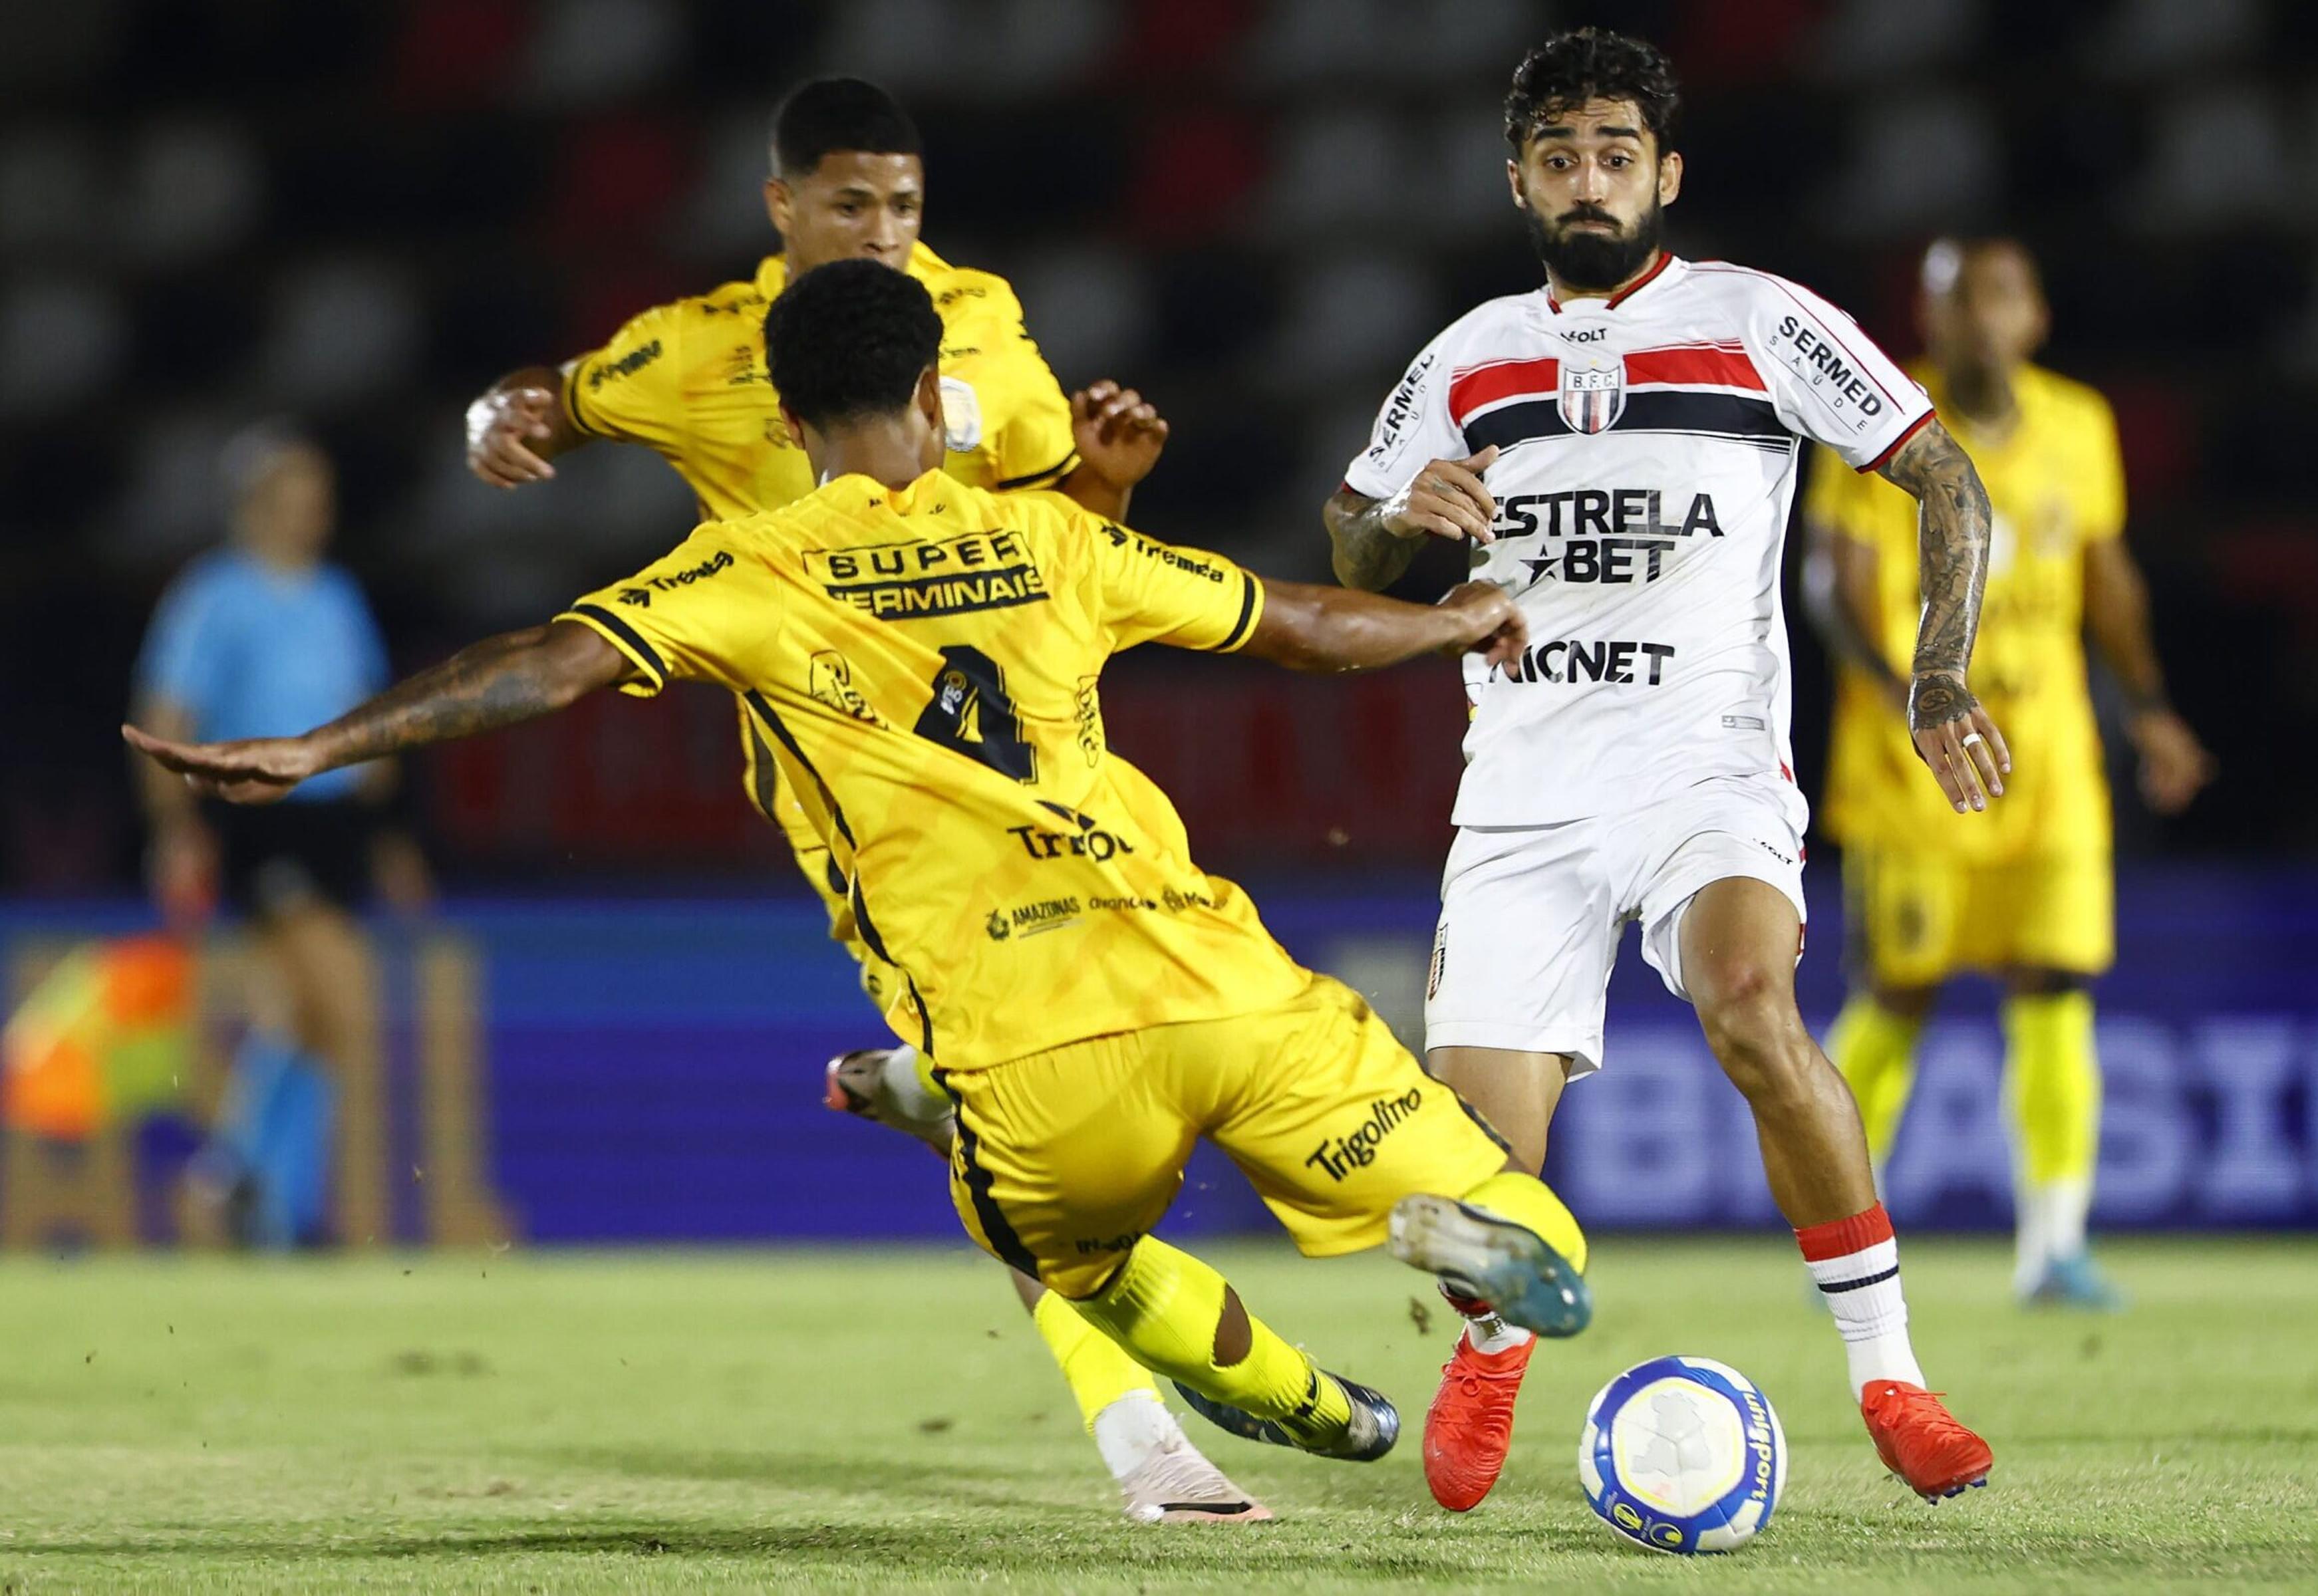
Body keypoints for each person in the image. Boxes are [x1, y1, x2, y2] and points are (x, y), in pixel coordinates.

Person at [132, 257, 1591, 1508]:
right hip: (1228, 987)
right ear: (939, 394)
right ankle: (1434, 1233)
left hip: (1031, 1054)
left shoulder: (751, 568)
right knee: (1538, 1233)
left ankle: (1310, 1407)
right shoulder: (1051, 532)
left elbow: (545, 663)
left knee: (1075, 1263)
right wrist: (1460, 620)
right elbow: (1299, 624)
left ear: (781, 418)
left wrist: (325, 741)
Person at [461, 78, 1212, 1519]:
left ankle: (945, 1094)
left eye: (907, 206)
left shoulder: (980, 317)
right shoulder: (696, 353)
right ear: (783, 208)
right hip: (869, 797)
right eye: (854, 203)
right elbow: (554, 398)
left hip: (1054, 756)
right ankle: (1143, 1437)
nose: (885, 233)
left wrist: (1112, 490)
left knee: (1147, 1056)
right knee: (1037, 1093)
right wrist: (497, 414)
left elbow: (1068, 533)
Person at [1324, 29, 2003, 1510]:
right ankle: (1494, 1348)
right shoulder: (1469, 354)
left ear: (1665, 171)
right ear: (1520, 181)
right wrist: (1404, 526)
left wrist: (1939, 666)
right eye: (1560, 159)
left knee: (1755, 1009)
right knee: (1477, 1178)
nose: (1589, 181)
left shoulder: (1757, 321)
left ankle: (1892, 1378)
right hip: (1520, 791)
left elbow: (1941, 472)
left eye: (1616, 155)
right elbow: (1352, 539)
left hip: (1705, 770)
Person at [1802, 237, 2214, 1309]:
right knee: (1899, 992)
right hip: (1914, 769)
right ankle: (1836, 1231)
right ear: (1928, 323)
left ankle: (2056, 1244)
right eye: (1956, 302)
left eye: (2000, 298)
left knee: (2056, 985)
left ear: (2034, 316)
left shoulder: (2080, 425)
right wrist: (1909, 693)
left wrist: (2154, 708)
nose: (1980, 320)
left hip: (2052, 760)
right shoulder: (1879, 422)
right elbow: (1831, 584)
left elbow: (2106, 574)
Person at [130, 424, 432, 1248]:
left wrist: (389, 836)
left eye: (319, 499)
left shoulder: (335, 594)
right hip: (262, 820)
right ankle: (252, 1191)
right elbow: (167, 718)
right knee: (340, 1000)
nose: (313, 514)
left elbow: (369, 719)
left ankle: (252, 1197)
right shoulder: (214, 596)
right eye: (297, 498)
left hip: (336, 825)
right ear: (255, 505)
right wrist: (177, 831)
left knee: (307, 1019)